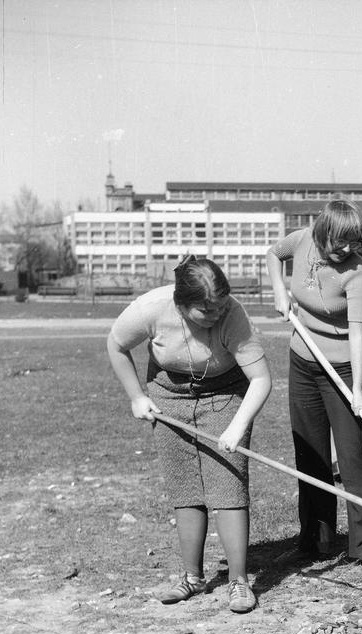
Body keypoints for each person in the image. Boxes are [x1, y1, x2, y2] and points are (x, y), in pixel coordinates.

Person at [106, 255, 272, 613]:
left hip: (227, 394)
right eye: (205, 311)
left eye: (220, 307)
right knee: (185, 486)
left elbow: (261, 380)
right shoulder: (150, 309)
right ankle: (192, 577)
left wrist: (236, 426)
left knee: (228, 482)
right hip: (169, 395)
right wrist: (137, 397)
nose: (216, 316)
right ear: (181, 305)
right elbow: (116, 346)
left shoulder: (233, 315)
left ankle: (239, 582)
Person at [266, 199, 362, 578]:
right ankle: (315, 540)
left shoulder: (358, 273)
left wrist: (358, 388)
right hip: (302, 361)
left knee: (350, 457)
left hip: (342, 367)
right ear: (322, 232)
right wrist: (279, 291)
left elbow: (356, 331)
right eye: (338, 241)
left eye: (352, 242)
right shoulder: (302, 241)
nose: (345, 249)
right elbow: (272, 253)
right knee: (311, 455)